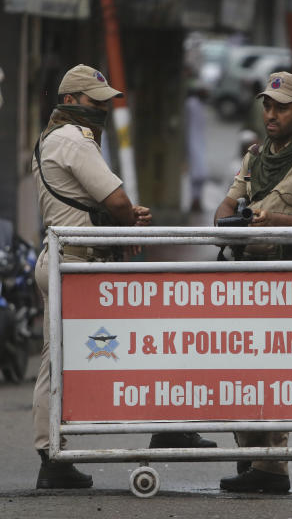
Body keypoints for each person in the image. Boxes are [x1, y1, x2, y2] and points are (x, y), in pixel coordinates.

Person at [32, 64, 214, 490]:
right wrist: (127, 218)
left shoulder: (49, 139)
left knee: (56, 359)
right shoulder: (74, 140)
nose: (103, 109)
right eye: (96, 102)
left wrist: (124, 220)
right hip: (76, 268)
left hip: (68, 262)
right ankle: (165, 427)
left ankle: (53, 457)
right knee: (148, 334)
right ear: (71, 100)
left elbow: (94, 205)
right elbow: (115, 199)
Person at [214, 71, 292, 494]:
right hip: (247, 280)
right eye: (267, 105)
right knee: (240, 369)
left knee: (277, 374)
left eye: (281, 107)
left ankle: (272, 466)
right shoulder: (255, 156)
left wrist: (277, 222)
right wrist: (231, 219)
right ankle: (249, 455)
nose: (270, 114)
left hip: (291, 283)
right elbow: (227, 204)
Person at [184, 80, 209, 212]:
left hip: (199, 143)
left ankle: (197, 200)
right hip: (192, 143)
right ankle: (194, 201)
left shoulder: (200, 104)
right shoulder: (191, 104)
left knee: (201, 174)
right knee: (196, 174)